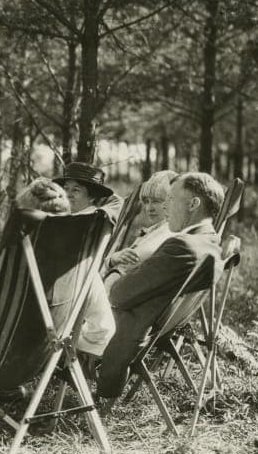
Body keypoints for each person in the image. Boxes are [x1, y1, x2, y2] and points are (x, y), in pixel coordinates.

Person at [0, 178, 114, 373]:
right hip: (36, 364)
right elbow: (104, 330)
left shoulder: (13, 272)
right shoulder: (82, 271)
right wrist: (67, 340)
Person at [94, 172, 225, 404]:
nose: (165, 206)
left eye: (171, 199)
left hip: (121, 331)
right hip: (153, 328)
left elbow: (119, 295)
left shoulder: (182, 246)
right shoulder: (209, 241)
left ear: (193, 204)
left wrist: (116, 272)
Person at [103, 169, 179, 289]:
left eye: (156, 201)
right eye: (147, 201)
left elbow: (131, 262)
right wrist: (112, 260)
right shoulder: (155, 230)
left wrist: (111, 261)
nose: (149, 208)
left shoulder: (168, 231)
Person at [55, 161, 125, 223]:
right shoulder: (65, 216)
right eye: (66, 188)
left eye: (76, 190)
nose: (67, 194)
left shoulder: (90, 220)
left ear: (92, 197)